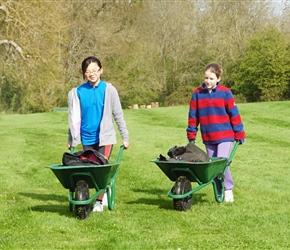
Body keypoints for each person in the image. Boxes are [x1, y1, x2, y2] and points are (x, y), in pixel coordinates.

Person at [67, 56, 129, 212]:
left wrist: (125, 137)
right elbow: (74, 118)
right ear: (84, 73)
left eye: (94, 70)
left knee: (101, 167)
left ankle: (99, 202)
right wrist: (71, 138)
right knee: (88, 170)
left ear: (101, 70)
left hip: (105, 138)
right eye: (88, 71)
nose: (92, 74)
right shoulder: (79, 92)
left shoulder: (109, 90)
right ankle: (89, 195)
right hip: (86, 137)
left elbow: (118, 114)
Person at [186, 63, 245, 202]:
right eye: (206, 78)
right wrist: (191, 134)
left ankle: (228, 189)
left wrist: (239, 133)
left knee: (221, 163)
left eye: (211, 78)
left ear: (218, 78)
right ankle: (219, 192)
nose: (208, 81)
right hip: (208, 136)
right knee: (213, 167)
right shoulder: (197, 94)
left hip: (225, 135)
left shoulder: (225, 93)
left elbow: (234, 114)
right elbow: (193, 116)